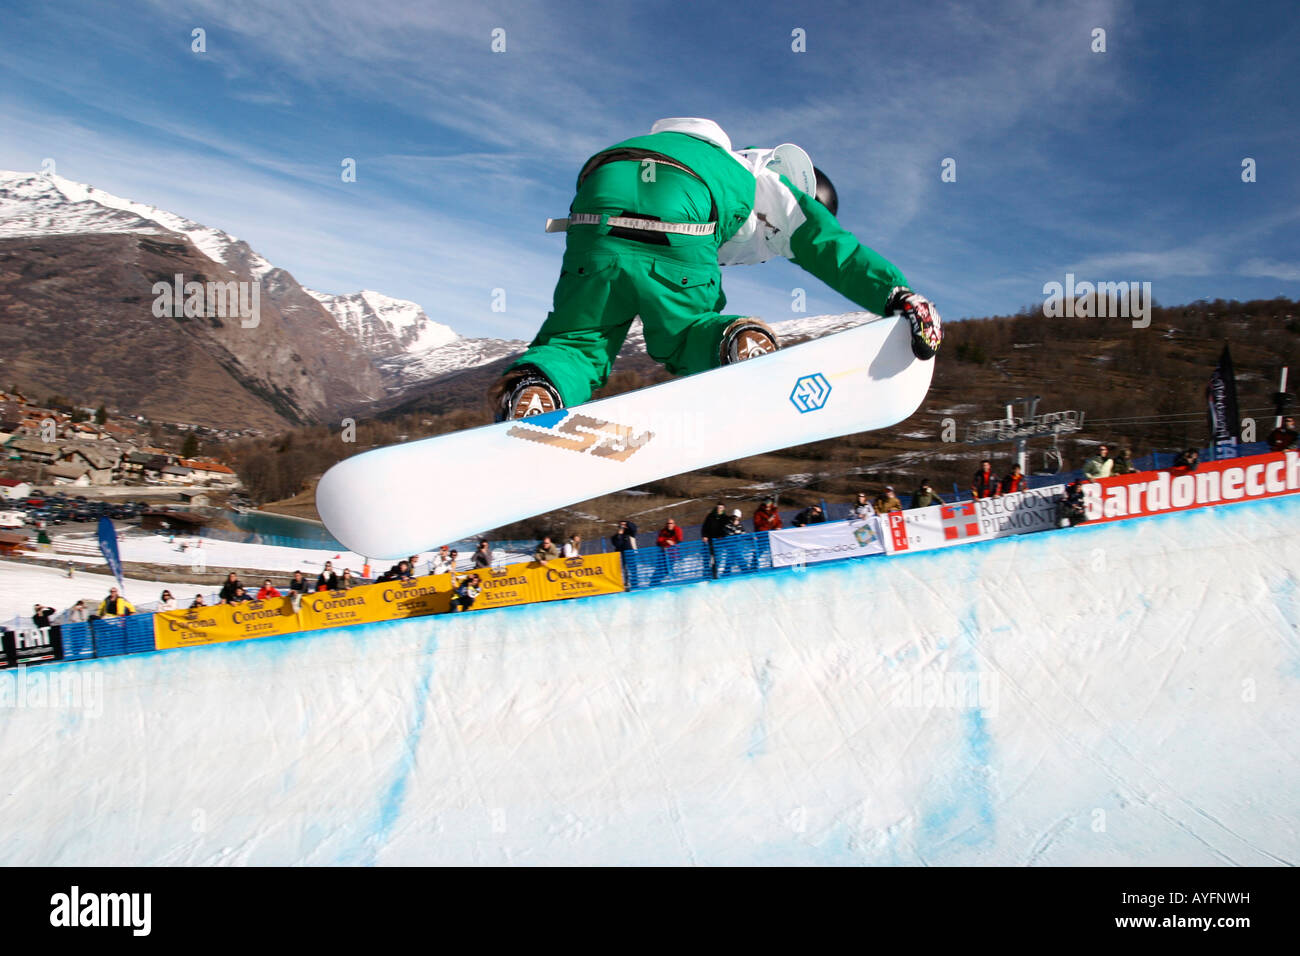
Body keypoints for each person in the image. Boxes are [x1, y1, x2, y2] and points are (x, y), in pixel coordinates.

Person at [490, 116, 941, 421]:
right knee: (686, 333)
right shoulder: (770, 183)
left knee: (577, 338)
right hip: (682, 210)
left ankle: (537, 392)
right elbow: (832, 247)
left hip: (596, 203)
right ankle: (735, 343)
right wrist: (898, 294)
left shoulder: (704, 152)